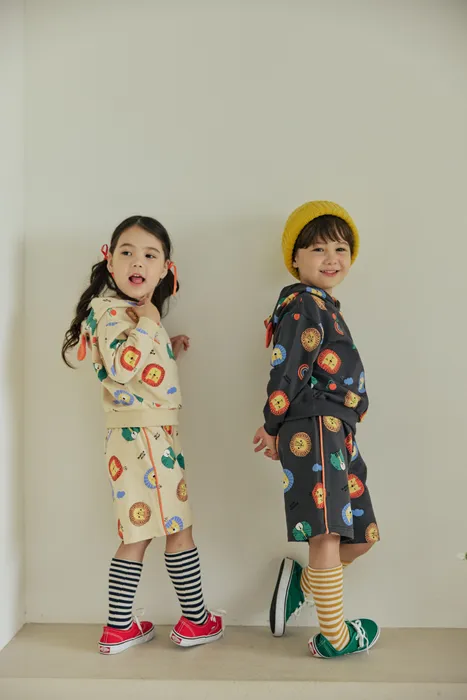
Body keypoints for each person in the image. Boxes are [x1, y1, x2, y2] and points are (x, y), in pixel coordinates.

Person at [62, 215, 223, 654]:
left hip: (137, 437)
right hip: (148, 438)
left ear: (165, 268)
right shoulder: (118, 312)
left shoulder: (116, 312)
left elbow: (135, 374)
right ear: (110, 262)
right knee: (178, 528)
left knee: (137, 532)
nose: (138, 262)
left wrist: (167, 346)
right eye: (127, 252)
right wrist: (151, 324)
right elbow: (120, 367)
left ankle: (119, 628)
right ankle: (196, 621)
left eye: (150, 255)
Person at [253, 201, 380, 658]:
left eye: (341, 249)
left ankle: (300, 584)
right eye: (319, 248)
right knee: (326, 532)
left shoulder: (324, 306)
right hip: (315, 424)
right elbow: (288, 369)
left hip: (338, 430)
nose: (331, 258)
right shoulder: (304, 303)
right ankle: (334, 637)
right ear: (296, 258)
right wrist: (272, 425)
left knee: (359, 536)